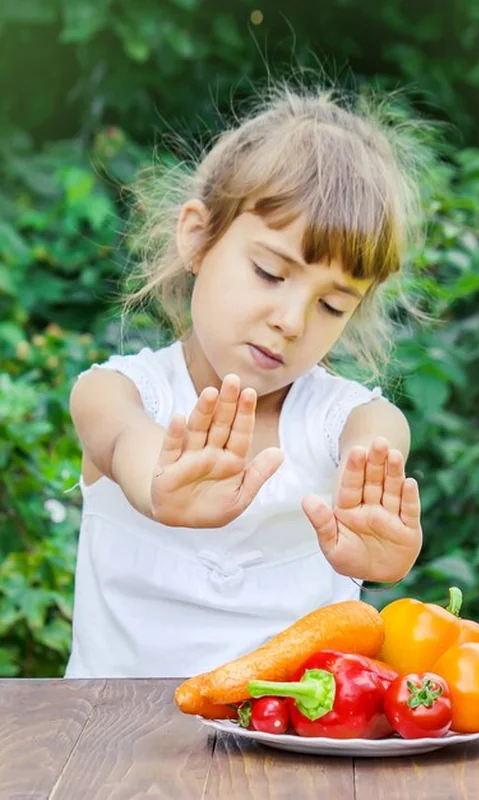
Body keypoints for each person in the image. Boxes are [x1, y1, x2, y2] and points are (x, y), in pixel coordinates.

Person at [65, 84, 427, 679]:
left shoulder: (349, 420)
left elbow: (378, 440)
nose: (292, 320)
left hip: (292, 752)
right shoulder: (120, 393)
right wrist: (161, 484)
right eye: (269, 271)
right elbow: (127, 440)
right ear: (197, 238)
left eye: (333, 306)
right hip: (113, 749)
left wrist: (376, 529)